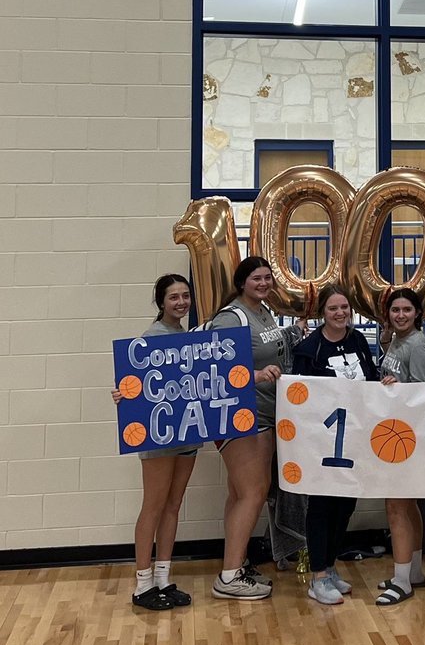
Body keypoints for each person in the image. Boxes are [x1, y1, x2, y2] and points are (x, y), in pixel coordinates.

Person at [209, 255, 307, 600]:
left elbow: (267, 348)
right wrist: (257, 376)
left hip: (264, 415)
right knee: (252, 493)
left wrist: (293, 334)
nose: (263, 283)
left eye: (267, 278)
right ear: (241, 283)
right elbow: (214, 370)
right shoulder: (230, 318)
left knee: (239, 495)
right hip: (242, 417)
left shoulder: (263, 312)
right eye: (256, 278)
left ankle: (235, 564)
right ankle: (229, 578)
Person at [112, 274, 198, 611]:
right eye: (174, 297)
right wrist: (125, 395)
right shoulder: (151, 338)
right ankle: (142, 582)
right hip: (160, 436)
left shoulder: (189, 338)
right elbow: (135, 383)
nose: (181, 302)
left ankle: (163, 576)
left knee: (174, 505)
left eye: (185, 296)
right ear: (161, 302)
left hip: (188, 432)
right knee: (154, 505)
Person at [292, 284, 380, 605]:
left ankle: (329, 568)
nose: (340, 313)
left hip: (354, 441)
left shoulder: (358, 341)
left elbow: (369, 383)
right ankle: (316, 576)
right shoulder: (309, 349)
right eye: (333, 309)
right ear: (322, 314)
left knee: (345, 506)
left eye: (344, 307)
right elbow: (300, 398)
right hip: (322, 444)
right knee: (321, 507)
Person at [375, 286, 425, 605]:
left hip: (408, 434)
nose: (400, 315)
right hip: (397, 429)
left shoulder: (419, 344)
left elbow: (422, 392)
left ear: (417, 314)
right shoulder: (396, 340)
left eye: (406, 311)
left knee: (396, 506)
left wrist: (400, 387)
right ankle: (413, 572)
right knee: (408, 506)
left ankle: (402, 583)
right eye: (395, 310)